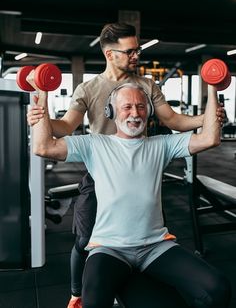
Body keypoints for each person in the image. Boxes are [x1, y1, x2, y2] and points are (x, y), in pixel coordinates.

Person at [27, 23, 225, 308]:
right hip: (100, 164)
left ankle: (144, 275)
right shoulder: (89, 88)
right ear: (110, 54)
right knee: (84, 239)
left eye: (138, 50)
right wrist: (40, 116)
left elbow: (174, 122)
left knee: (146, 225)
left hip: (144, 162)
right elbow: (66, 127)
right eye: (130, 51)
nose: (136, 55)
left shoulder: (146, 84)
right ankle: (76, 292)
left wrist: (209, 116)